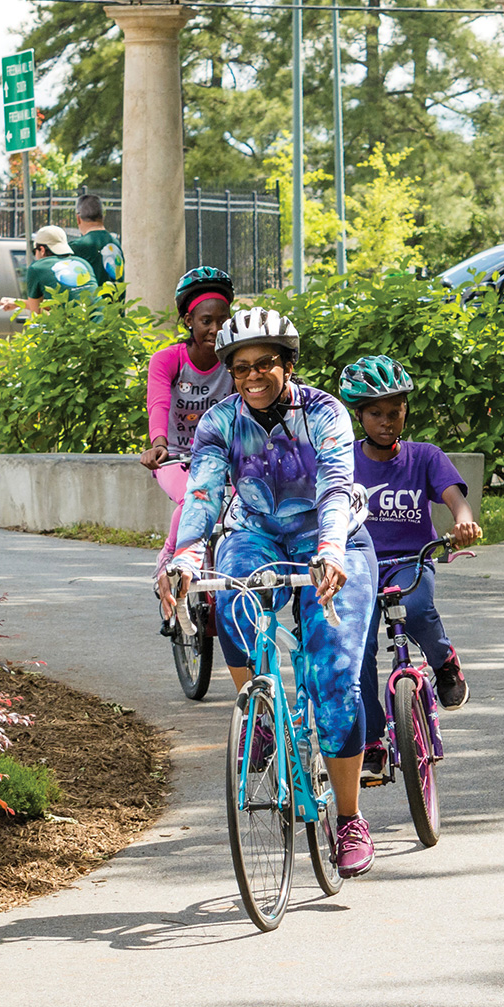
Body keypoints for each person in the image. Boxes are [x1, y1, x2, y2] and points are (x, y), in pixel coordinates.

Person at [159, 308, 380, 876]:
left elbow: (335, 484)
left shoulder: (325, 411)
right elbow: (204, 494)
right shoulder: (220, 421)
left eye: (264, 364)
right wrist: (184, 554)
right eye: (240, 369)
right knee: (227, 598)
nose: (251, 377)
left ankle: (350, 817)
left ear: (287, 364)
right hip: (257, 533)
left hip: (334, 540)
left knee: (333, 682)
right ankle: (260, 710)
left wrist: (329, 548)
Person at [340, 356, 481, 771]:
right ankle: (371, 741)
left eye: (396, 411)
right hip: (359, 564)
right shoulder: (343, 460)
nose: (387, 421)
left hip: (410, 561)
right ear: (358, 415)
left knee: (416, 607)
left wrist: (464, 521)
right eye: (376, 413)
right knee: (358, 647)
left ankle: (444, 663)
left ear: (406, 411)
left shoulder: (425, 457)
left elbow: (456, 498)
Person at [140, 268, 248, 684]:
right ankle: (167, 568)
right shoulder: (169, 359)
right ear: (188, 320)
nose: (216, 328)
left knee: (243, 511)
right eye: (207, 320)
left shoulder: (237, 359)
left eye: (223, 319)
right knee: (195, 499)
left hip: (226, 458)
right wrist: (159, 442)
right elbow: (159, 401)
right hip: (177, 457)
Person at [7, 226, 98, 313]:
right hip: (102, 322)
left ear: (42, 250)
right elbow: (72, 301)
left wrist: (17, 303)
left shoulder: (37, 267)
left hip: (77, 325)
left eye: (34, 251)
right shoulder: (83, 263)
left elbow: (36, 311)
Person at [68, 195, 126, 293]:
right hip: (117, 305)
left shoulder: (77, 246)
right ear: (103, 216)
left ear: (78, 218)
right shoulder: (115, 243)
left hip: (92, 307)